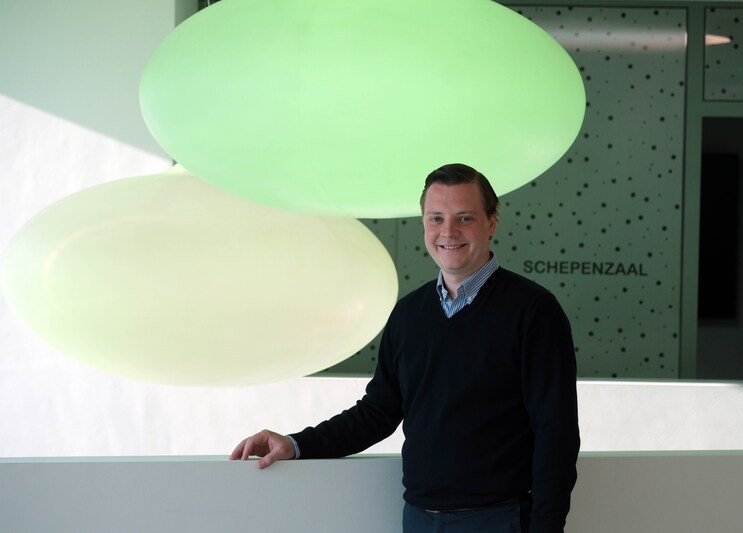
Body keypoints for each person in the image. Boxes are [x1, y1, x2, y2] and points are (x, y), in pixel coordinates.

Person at [230, 163, 580, 532]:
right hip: (418, 517)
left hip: (498, 519)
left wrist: (547, 526)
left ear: (491, 223)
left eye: (465, 218)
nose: (448, 232)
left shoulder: (533, 311)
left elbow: (555, 431)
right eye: (436, 219)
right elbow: (377, 413)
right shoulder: (408, 314)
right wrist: (296, 444)